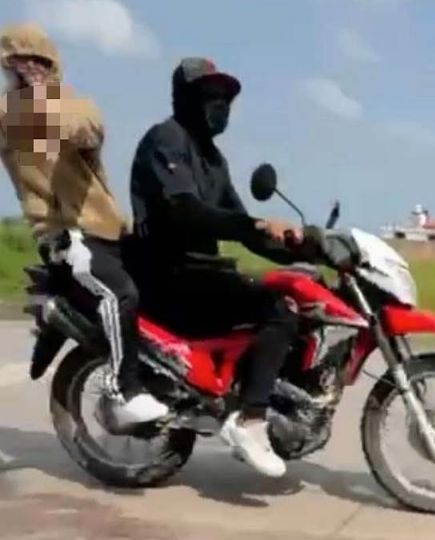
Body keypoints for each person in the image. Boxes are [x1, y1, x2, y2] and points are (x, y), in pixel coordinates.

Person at [128, 57, 302, 477]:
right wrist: (253, 224)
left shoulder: (214, 159)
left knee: (303, 294)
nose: (221, 106)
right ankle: (251, 420)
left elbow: (241, 227)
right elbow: (185, 210)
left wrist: (304, 247)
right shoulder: (166, 140)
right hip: (168, 275)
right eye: (211, 96)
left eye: (226, 99)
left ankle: (266, 396)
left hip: (201, 273)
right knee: (278, 309)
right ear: (185, 97)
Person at [0, 23, 169, 425]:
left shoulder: (74, 104)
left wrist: (46, 104)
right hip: (64, 234)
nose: (28, 69)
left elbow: (87, 130)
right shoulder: (6, 115)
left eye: (36, 62)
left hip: (107, 228)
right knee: (119, 295)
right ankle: (122, 388)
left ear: (50, 63)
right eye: (18, 63)